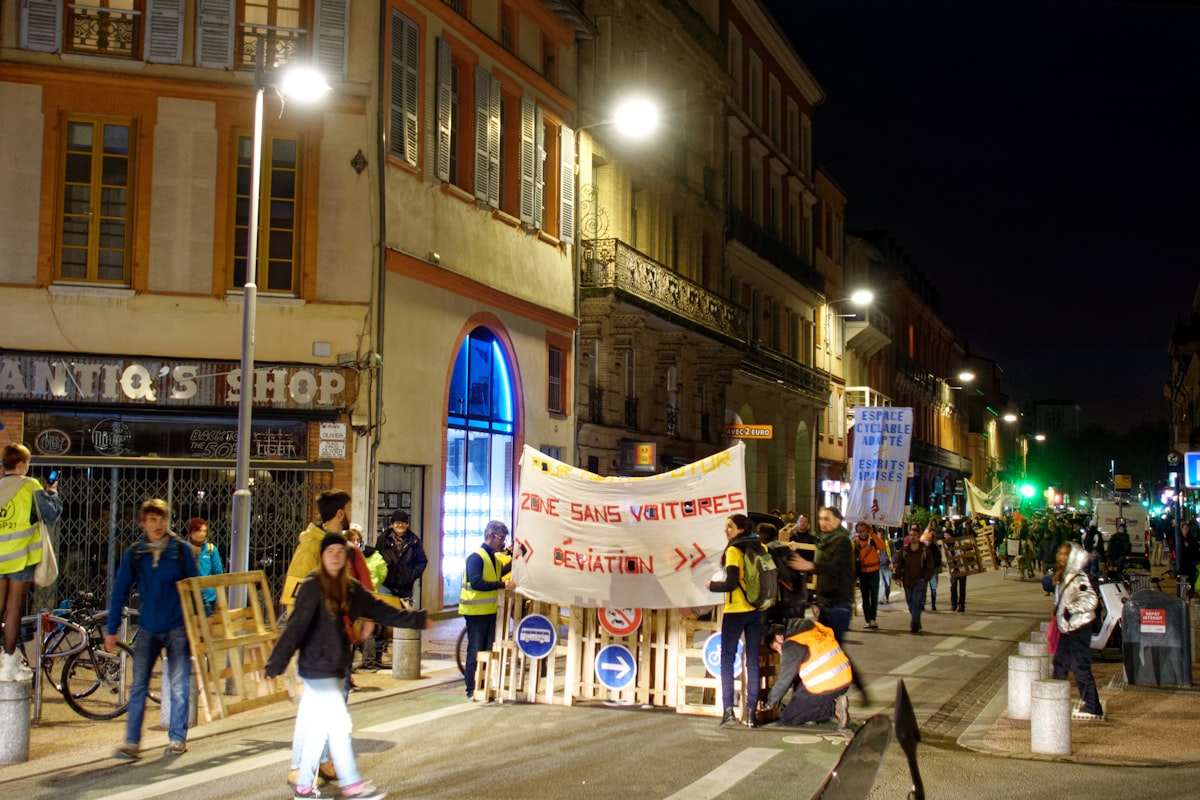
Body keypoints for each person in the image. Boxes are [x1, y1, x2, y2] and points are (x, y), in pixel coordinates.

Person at [265, 532, 430, 800]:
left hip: (336, 668)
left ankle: (304, 787)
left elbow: (381, 611)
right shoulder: (312, 586)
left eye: (340, 552)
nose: (335, 556)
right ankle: (353, 787)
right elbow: (295, 628)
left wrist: (417, 620)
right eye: (330, 552)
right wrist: (275, 664)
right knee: (339, 727)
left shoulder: (350, 588)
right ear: (322, 556)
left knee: (319, 731)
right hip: (316, 669)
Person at [104, 499, 199, 759]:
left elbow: (195, 588)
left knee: (178, 685)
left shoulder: (181, 550)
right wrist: (112, 629)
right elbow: (120, 591)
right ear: (142, 523)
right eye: (152, 520)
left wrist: (200, 626)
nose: (158, 525)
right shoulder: (136, 553)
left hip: (178, 627)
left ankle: (177, 739)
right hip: (148, 627)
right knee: (138, 686)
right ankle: (132, 742)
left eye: (162, 519)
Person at [279, 489, 358, 786]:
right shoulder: (311, 546)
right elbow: (293, 595)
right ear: (340, 513)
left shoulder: (332, 544)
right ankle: (300, 766)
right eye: (347, 509)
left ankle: (322, 759)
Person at [0, 444, 62, 681]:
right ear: (20, 464)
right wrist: (52, 492)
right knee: (14, 608)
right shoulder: (30, 485)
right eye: (26, 462)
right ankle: (9, 663)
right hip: (21, 557)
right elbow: (50, 515)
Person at [706, 513, 765, 728]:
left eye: (730, 527)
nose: (726, 530)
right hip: (757, 610)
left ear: (741, 529)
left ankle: (729, 711)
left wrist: (712, 586)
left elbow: (731, 583)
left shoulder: (733, 550)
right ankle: (751, 715)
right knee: (752, 660)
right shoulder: (762, 548)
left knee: (727, 660)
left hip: (736, 610)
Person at [459, 520, 515, 701]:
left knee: (487, 651)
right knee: (476, 650)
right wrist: (502, 585)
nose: (502, 543)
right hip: (476, 613)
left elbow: (500, 573)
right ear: (490, 535)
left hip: (490, 612)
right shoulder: (476, 557)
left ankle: (483, 687)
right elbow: (477, 582)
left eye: (504, 539)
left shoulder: (494, 559)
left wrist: (516, 558)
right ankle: (471, 688)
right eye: (500, 538)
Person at [758, 620, 851, 729]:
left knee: (787, 719)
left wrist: (767, 702)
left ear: (779, 638)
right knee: (798, 702)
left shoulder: (791, 644)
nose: (780, 653)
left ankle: (833, 708)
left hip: (826, 682)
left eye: (777, 648)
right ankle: (826, 706)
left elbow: (784, 681)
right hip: (844, 677)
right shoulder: (812, 628)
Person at [1050, 542, 1104, 720]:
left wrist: (1071, 609)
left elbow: (1091, 600)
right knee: (1060, 663)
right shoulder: (1064, 576)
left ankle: (1092, 705)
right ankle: (1055, 700)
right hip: (1068, 628)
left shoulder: (1079, 578)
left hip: (1079, 627)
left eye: (1066, 555)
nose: (1062, 557)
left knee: (1080, 666)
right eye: (1061, 554)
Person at [790, 506, 855, 645]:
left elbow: (836, 568)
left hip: (838, 603)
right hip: (825, 602)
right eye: (820, 519)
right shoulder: (824, 541)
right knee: (826, 647)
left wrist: (810, 565)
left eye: (826, 519)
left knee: (833, 647)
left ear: (837, 521)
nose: (822, 522)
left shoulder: (842, 541)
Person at [757, 523, 808, 629]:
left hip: (776, 604)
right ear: (776, 536)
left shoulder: (765, 553)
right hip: (796, 601)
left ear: (760, 538)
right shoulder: (789, 550)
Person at [376, 510, 428, 604]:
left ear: (407, 524)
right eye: (397, 522)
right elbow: (377, 558)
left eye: (403, 522)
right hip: (386, 586)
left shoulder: (414, 541)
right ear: (392, 524)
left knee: (403, 612)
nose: (400, 525)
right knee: (387, 612)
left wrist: (411, 576)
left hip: (405, 588)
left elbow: (422, 561)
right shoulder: (383, 540)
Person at [894, 533, 935, 634]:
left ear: (918, 537)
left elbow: (930, 566)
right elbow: (899, 564)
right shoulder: (904, 551)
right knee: (910, 603)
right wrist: (897, 577)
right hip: (907, 581)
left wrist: (925, 578)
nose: (912, 537)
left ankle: (914, 624)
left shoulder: (925, 550)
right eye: (911, 535)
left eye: (915, 535)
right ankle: (917, 622)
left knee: (917, 603)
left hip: (920, 581)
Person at [185, 518, 224, 616]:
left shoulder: (211, 549)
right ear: (191, 532)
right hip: (188, 597)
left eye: (204, 531)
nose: (202, 534)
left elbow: (218, 574)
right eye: (198, 530)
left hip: (208, 598)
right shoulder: (183, 549)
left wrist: (220, 599)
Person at [853, 522, 887, 630]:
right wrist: (865, 550)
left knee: (874, 596)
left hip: (874, 571)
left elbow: (882, 547)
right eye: (860, 531)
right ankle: (868, 620)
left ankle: (873, 619)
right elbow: (856, 557)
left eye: (864, 530)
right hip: (863, 572)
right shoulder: (855, 542)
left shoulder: (872, 539)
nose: (863, 533)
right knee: (865, 597)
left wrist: (873, 535)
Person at [944, 529, 968, 613]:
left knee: (962, 587)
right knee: (953, 586)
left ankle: (961, 605)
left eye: (947, 535)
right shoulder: (944, 545)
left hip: (961, 568)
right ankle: (953, 604)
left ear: (951, 535)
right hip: (952, 569)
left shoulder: (958, 542)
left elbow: (963, 552)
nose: (946, 537)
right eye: (945, 535)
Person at [922, 523, 943, 611]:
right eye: (927, 540)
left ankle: (933, 604)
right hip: (924, 571)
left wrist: (934, 564)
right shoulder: (922, 549)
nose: (928, 542)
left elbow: (939, 558)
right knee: (923, 588)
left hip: (933, 570)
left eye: (929, 540)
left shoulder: (934, 548)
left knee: (933, 588)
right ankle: (922, 604)